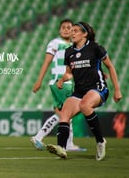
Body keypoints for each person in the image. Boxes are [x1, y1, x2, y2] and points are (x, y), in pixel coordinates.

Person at [47, 21, 122, 161]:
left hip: (97, 88)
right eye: (71, 30)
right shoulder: (69, 52)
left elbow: (110, 67)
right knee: (64, 113)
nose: (72, 33)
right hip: (79, 91)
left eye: (75, 30)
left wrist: (117, 90)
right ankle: (61, 148)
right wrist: (62, 79)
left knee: (84, 105)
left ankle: (100, 141)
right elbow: (69, 73)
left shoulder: (95, 48)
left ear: (85, 34)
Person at [30, 19, 84, 151]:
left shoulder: (74, 46)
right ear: (59, 31)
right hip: (60, 82)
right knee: (67, 112)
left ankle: (39, 137)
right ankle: (66, 143)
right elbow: (47, 62)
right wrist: (39, 80)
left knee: (63, 113)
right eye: (63, 27)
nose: (66, 29)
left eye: (69, 27)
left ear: (73, 30)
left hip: (67, 83)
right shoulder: (56, 43)